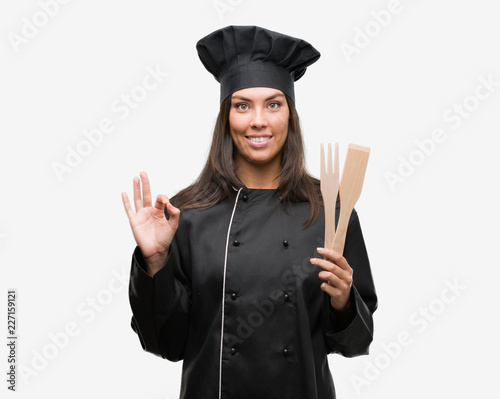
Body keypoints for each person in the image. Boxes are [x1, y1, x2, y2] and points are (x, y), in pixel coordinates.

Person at [121, 25, 377, 399]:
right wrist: (155, 261)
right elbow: (167, 344)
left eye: (273, 104)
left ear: (290, 115)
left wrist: (342, 301)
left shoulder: (331, 211)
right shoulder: (185, 214)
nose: (258, 120)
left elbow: (356, 343)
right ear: (226, 118)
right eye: (243, 106)